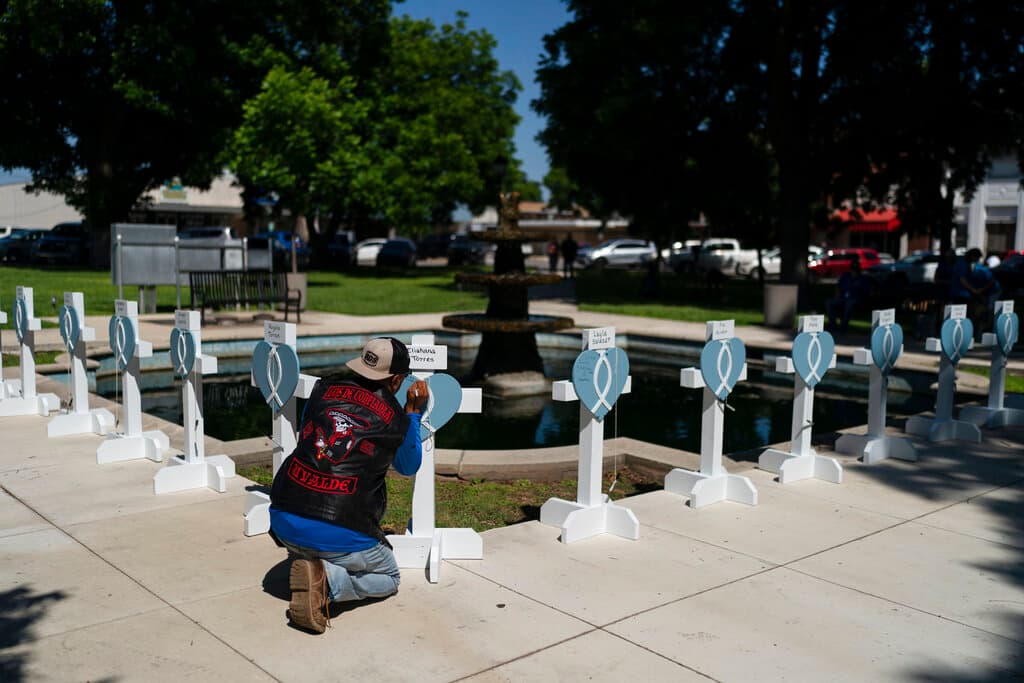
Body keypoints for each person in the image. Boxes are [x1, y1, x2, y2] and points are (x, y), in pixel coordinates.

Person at [269, 337, 428, 634]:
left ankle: (314, 560)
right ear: (396, 379)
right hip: (340, 526)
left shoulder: (322, 390)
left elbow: (307, 433)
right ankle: (327, 581)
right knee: (389, 576)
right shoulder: (396, 417)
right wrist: (413, 414)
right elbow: (408, 467)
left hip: (282, 516)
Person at [825, 259, 873, 334]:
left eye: (856, 270)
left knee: (849, 304)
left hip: (855, 301)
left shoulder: (863, 279)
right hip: (843, 299)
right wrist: (837, 295)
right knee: (829, 302)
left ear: (859, 270)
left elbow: (868, 292)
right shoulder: (845, 276)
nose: (854, 272)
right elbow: (838, 286)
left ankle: (843, 328)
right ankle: (833, 327)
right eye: (853, 269)